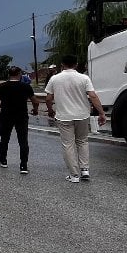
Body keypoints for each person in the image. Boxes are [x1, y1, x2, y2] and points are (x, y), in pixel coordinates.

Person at [43, 55, 106, 183]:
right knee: (82, 142)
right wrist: (101, 113)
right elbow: (93, 96)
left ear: (62, 65)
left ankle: (74, 175)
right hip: (82, 115)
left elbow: (48, 98)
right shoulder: (84, 78)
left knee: (68, 144)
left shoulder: (55, 79)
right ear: (76, 64)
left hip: (64, 116)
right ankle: (85, 170)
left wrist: (50, 110)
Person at [0, 66, 39, 174]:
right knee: (23, 141)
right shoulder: (26, 86)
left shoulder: (2, 86)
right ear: (19, 74)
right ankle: (23, 166)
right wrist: (35, 110)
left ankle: (3, 160)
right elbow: (35, 101)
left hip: (6, 116)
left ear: (9, 74)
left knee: (4, 139)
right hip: (21, 116)